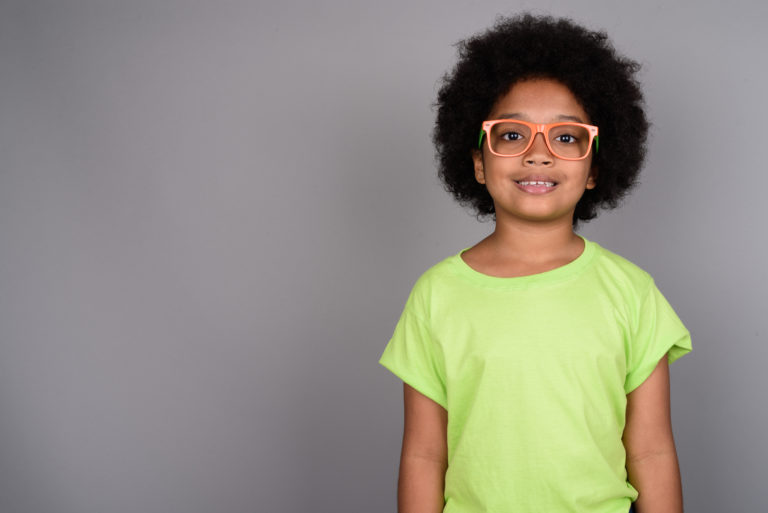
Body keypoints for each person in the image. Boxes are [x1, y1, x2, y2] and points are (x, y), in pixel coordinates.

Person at [378, 13, 692, 513]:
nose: (539, 155)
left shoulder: (632, 292)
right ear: (479, 162)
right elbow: (422, 455)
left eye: (566, 138)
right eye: (512, 135)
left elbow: (651, 451)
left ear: (595, 168)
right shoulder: (436, 294)